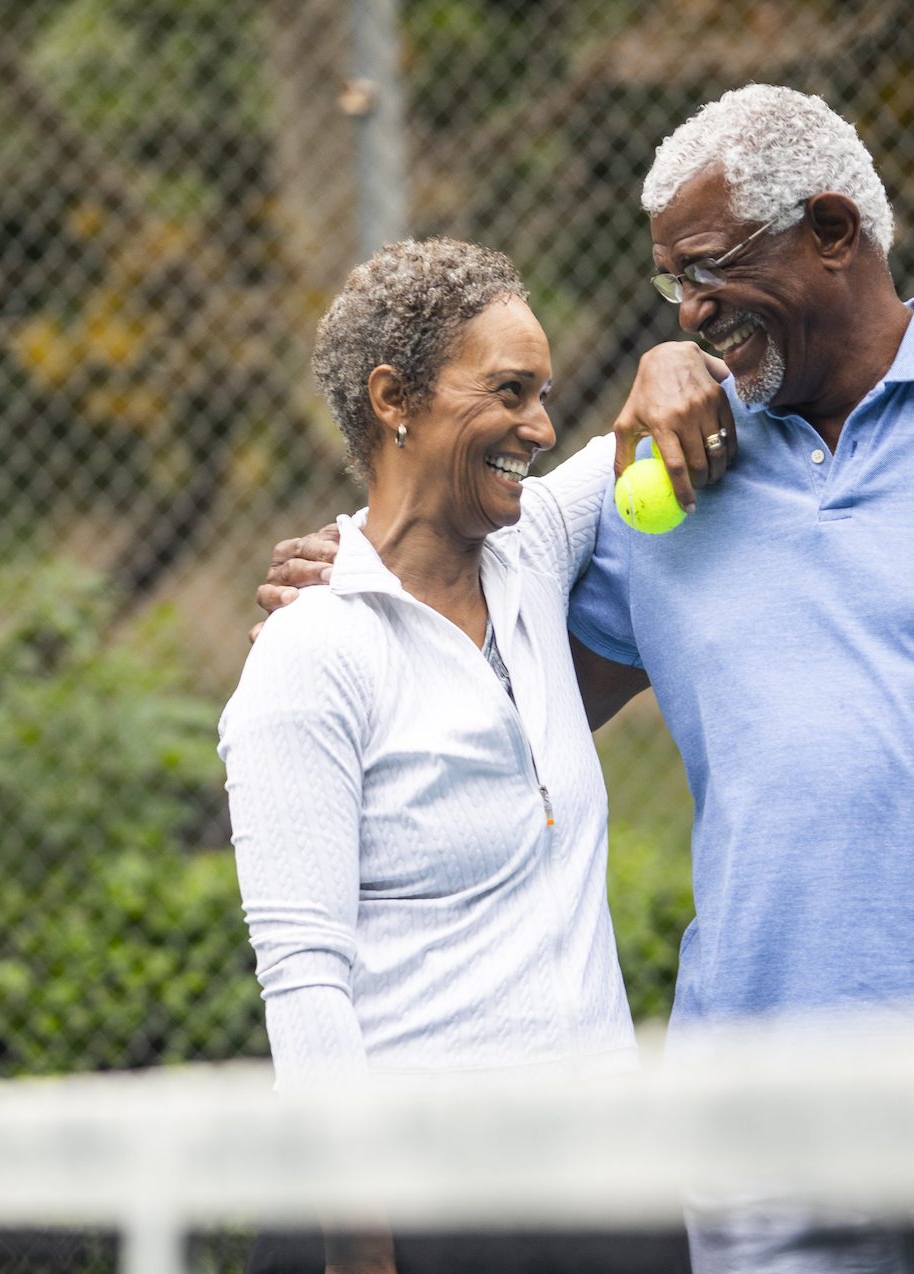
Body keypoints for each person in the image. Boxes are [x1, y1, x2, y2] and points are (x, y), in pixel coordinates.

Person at [253, 84, 914, 1274]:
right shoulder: (669, 479)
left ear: (830, 231)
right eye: (672, 288)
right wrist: (352, 593)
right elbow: (488, 673)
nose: (691, 309)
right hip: (754, 1122)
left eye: (707, 269)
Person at [219, 238, 702, 1274]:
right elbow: (305, 987)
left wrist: (671, 361)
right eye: (509, 392)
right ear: (393, 396)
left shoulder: (532, 549)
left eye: (544, 393)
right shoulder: (311, 655)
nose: (538, 426)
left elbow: (646, 430)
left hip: (604, 1183)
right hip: (420, 1206)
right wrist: (360, 1248)